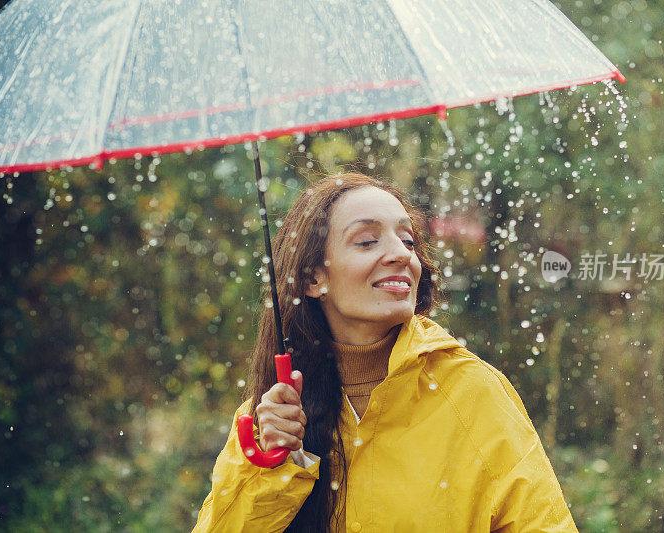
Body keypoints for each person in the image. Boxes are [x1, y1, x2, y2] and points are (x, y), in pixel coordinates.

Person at [192, 172, 577, 532]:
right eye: (367, 241)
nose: (401, 254)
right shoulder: (272, 414)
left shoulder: (473, 394)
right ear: (313, 278)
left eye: (408, 240)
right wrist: (273, 465)